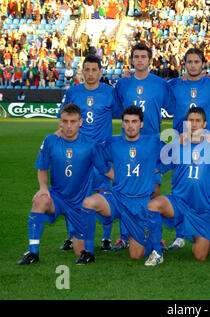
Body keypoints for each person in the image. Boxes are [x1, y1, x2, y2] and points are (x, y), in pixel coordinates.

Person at [17, 104, 109, 265]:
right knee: (40, 200)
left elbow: (105, 170)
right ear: (60, 122)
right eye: (65, 121)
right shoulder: (50, 141)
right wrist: (43, 188)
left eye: (73, 121)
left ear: (80, 122)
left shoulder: (90, 145)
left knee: (81, 252)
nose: (68, 126)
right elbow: (42, 168)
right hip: (57, 198)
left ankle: (78, 238)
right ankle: (33, 252)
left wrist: (130, 179)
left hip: (80, 204)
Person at [112, 42, 176, 251]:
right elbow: (113, 109)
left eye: (143, 57)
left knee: (153, 191)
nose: (140, 60)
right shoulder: (122, 84)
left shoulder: (160, 84)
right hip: (127, 145)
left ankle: (154, 234)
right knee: (124, 189)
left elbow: (175, 106)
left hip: (151, 146)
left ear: (150, 60)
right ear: (132, 60)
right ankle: (125, 236)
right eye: (136, 57)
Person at [80, 106, 162, 265]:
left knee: (136, 255)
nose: (130, 125)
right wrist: (110, 173)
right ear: (122, 124)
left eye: (134, 121)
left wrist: (155, 170)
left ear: (141, 124)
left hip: (140, 202)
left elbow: (175, 153)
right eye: (127, 121)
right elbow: (95, 153)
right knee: (89, 203)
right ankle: (88, 252)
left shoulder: (153, 142)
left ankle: (150, 240)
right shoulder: (113, 142)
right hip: (117, 198)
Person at [147, 107, 210, 262]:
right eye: (191, 121)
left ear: (205, 124)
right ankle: (157, 253)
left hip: (201, 210)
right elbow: (159, 167)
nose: (194, 124)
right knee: (154, 205)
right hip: (178, 203)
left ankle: (204, 233)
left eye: (198, 121)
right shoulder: (177, 145)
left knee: (200, 256)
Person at [58, 54, 120, 252]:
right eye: (87, 70)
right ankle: (72, 236)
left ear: (101, 72)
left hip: (102, 153)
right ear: (82, 71)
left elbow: (120, 113)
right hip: (78, 153)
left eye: (95, 70)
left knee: (104, 194)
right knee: (74, 195)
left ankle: (106, 238)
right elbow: (65, 118)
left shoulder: (110, 92)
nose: (91, 74)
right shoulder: (73, 92)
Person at [167, 47, 210, 251]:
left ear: (203, 64)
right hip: (180, 141)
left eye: (196, 62)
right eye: (189, 62)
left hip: (205, 142)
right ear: (185, 64)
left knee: (208, 185)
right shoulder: (174, 84)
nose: (193, 65)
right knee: (179, 185)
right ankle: (180, 234)